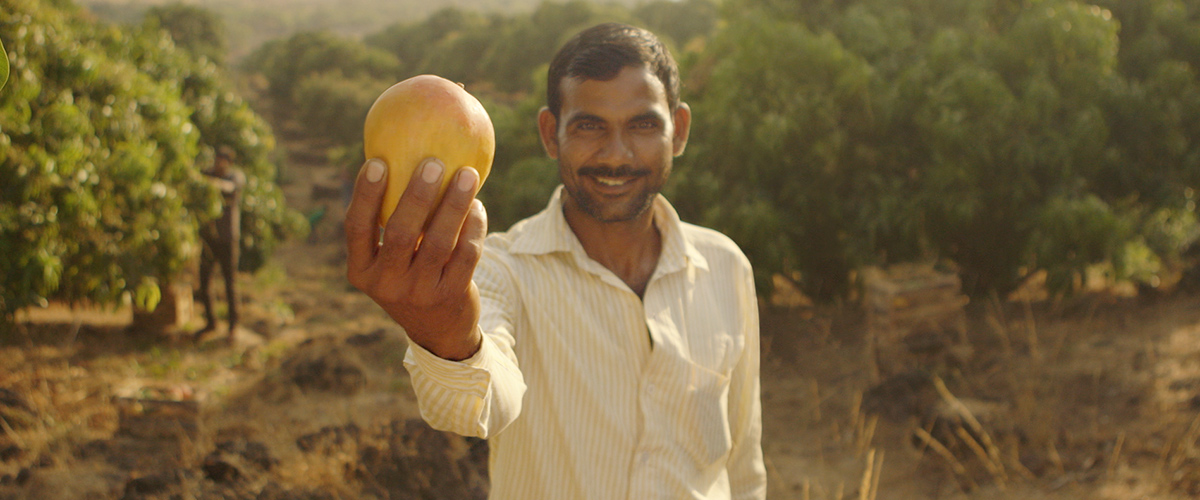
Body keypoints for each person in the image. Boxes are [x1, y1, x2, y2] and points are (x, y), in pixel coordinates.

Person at [345, 23, 766, 499]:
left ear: (679, 130)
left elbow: (743, 463)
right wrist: (447, 337)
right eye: (589, 126)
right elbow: (479, 406)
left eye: (643, 125)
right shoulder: (499, 269)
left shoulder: (726, 266)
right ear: (550, 133)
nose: (617, 154)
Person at [195, 145, 246, 344]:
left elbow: (229, 188)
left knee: (229, 282)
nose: (218, 163)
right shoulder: (208, 174)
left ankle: (233, 325)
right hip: (209, 238)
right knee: (204, 281)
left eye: (222, 160)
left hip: (227, 238)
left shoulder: (235, 177)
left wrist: (208, 182)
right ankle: (211, 322)